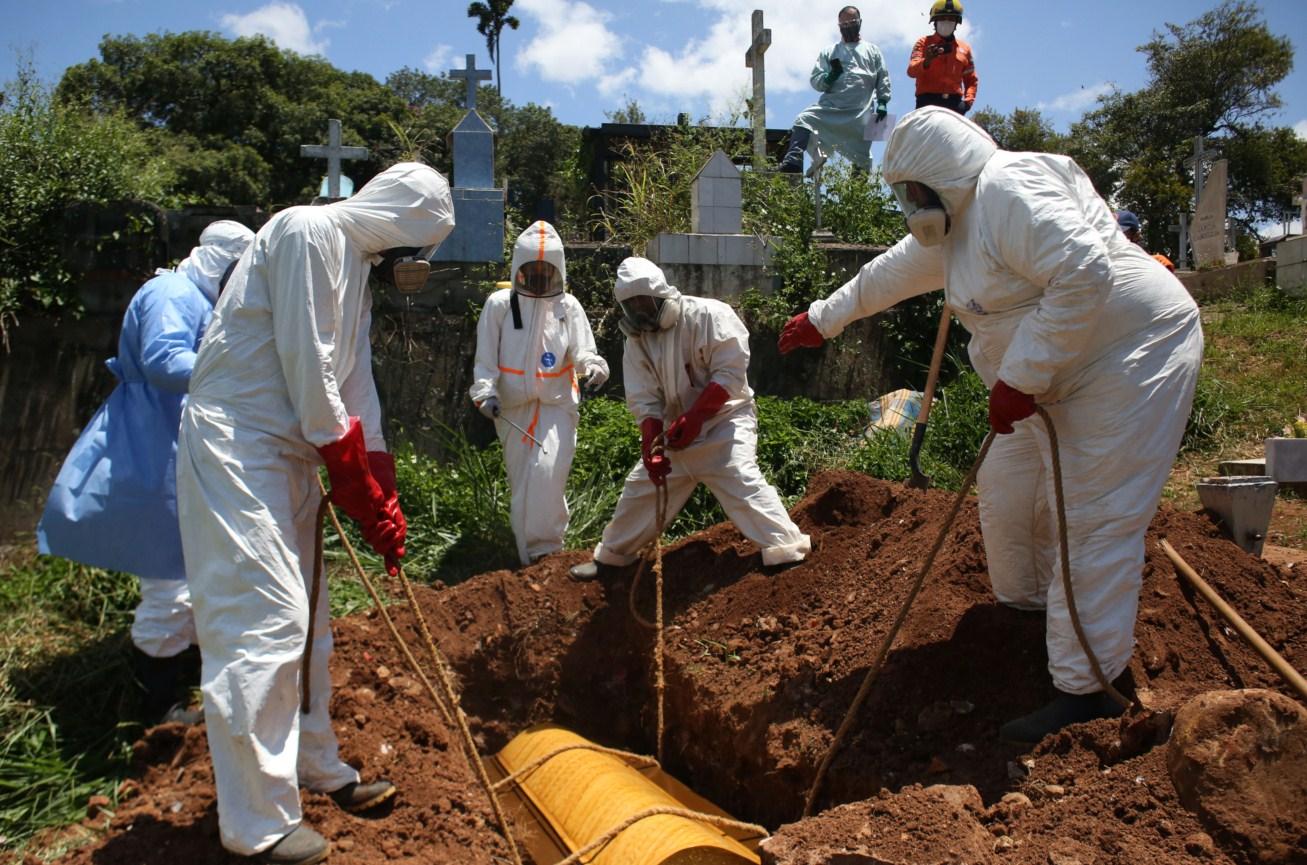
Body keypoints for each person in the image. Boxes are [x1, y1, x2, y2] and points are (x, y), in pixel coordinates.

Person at [779, 108, 1202, 743]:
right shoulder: (953, 231)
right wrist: (821, 318)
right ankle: (1028, 622)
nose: (909, 206)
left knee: (1090, 520)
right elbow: (887, 275)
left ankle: (1086, 692)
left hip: (1128, 357)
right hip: (1043, 381)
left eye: (912, 192)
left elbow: (1085, 269)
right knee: (1007, 500)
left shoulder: (1006, 190)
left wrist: (1023, 375)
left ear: (941, 176)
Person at [176, 163, 455, 865]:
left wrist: (381, 483)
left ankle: (313, 763)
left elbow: (352, 377)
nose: (411, 263)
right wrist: (350, 472)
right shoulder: (305, 232)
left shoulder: (356, 268)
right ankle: (257, 825)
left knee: (310, 626)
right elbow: (308, 369)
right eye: (415, 247)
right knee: (263, 618)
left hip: (292, 451)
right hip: (240, 445)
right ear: (394, 221)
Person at [37, 220, 255, 725]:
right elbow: (164, 360)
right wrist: (239, 371)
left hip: (171, 438)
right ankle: (155, 710)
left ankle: (185, 691)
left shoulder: (193, 296)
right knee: (168, 576)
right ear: (219, 262)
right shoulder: (171, 292)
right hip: (155, 440)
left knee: (193, 568)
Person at [569, 258, 811, 582]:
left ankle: (787, 552)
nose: (640, 312)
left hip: (725, 421)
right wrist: (652, 444)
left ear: (662, 296)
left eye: (645, 303)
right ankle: (611, 559)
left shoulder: (710, 315)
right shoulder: (637, 339)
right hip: (676, 431)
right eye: (632, 306)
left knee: (739, 476)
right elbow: (645, 397)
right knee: (640, 490)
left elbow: (730, 374)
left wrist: (697, 418)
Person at [470, 221, 609, 566]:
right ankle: (528, 560)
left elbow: (584, 352)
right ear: (518, 268)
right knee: (524, 486)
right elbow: (485, 358)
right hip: (512, 408)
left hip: (557, 404)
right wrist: (485, 394)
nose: (538, 278)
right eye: (531, 271)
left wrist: (593, 367)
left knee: (549, 474)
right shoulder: (499, 305)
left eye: (545, 271)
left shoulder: (568, 307)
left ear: (558, 271)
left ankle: (547, 551)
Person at [779, 6, 891, 174]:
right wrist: (830, 76)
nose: (848, 26)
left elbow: (883, 76)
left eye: (852, 22)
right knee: (803, 119)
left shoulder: (872, 50)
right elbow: (815, 80)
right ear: (839, 25)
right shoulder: (830, 52)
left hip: (861, 112)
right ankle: (793, 160)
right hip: (832, 108)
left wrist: (883, 101)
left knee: (862, 157)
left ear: (860, 23)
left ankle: (857, 195)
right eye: (844, 23)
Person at [907, 0, 978, 113]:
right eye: (943, 18)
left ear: (956, 23)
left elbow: (971, 80)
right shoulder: (923, 43)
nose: (947, 22)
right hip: (926, 104)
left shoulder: (965, 49)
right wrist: (927, 61)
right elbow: (911, 71)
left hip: (954, 106)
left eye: (951, 19)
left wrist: (967, 102)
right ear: (934, 21)